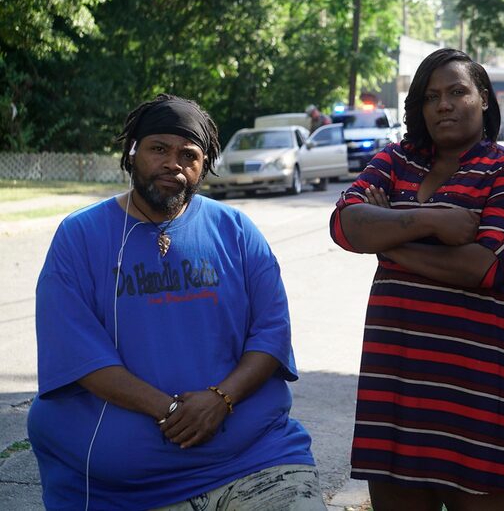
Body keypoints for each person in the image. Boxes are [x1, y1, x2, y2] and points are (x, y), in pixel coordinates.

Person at [28, 94, 327, 511]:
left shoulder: (236, 231)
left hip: (254, 461)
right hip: (121, 487)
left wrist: (220, 400)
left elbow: (272, 333)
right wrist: (173, 411)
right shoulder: (80, 236)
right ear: (132, 152)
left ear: (203, 165)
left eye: (189, 155)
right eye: (158, 149)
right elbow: (78, 354)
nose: (173, 164)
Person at [329, 48, 504, 510]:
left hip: (481, 382)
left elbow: (485, 267)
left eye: (457, 92)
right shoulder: (395, 160)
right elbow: (345, 226)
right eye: (431, 97)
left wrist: (388, 232)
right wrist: (433, 222)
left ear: (484, 98)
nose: (443, 105)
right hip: (397, 377)